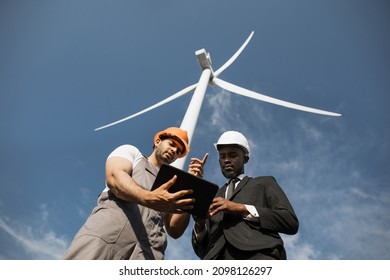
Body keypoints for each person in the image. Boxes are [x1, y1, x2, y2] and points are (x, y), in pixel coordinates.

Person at [63, 127, 207, 260]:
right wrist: (150, 197)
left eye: (178, 150)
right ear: (158, 141)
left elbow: (175, 230)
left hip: (147, 254)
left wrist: (191, 186)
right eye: (172, 144)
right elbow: (115, 178)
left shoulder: (172, 186)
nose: (174, 150)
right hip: (106, 239)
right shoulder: (132, 153)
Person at [191, 131, 299, 260]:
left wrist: (241, 208)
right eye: (222, 156)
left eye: (232, 155)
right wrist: (199, 225)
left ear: (245, 158)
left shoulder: (264, 183)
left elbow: (290, 221)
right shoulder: (213, 196)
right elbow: (200, 249)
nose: (226, 160)